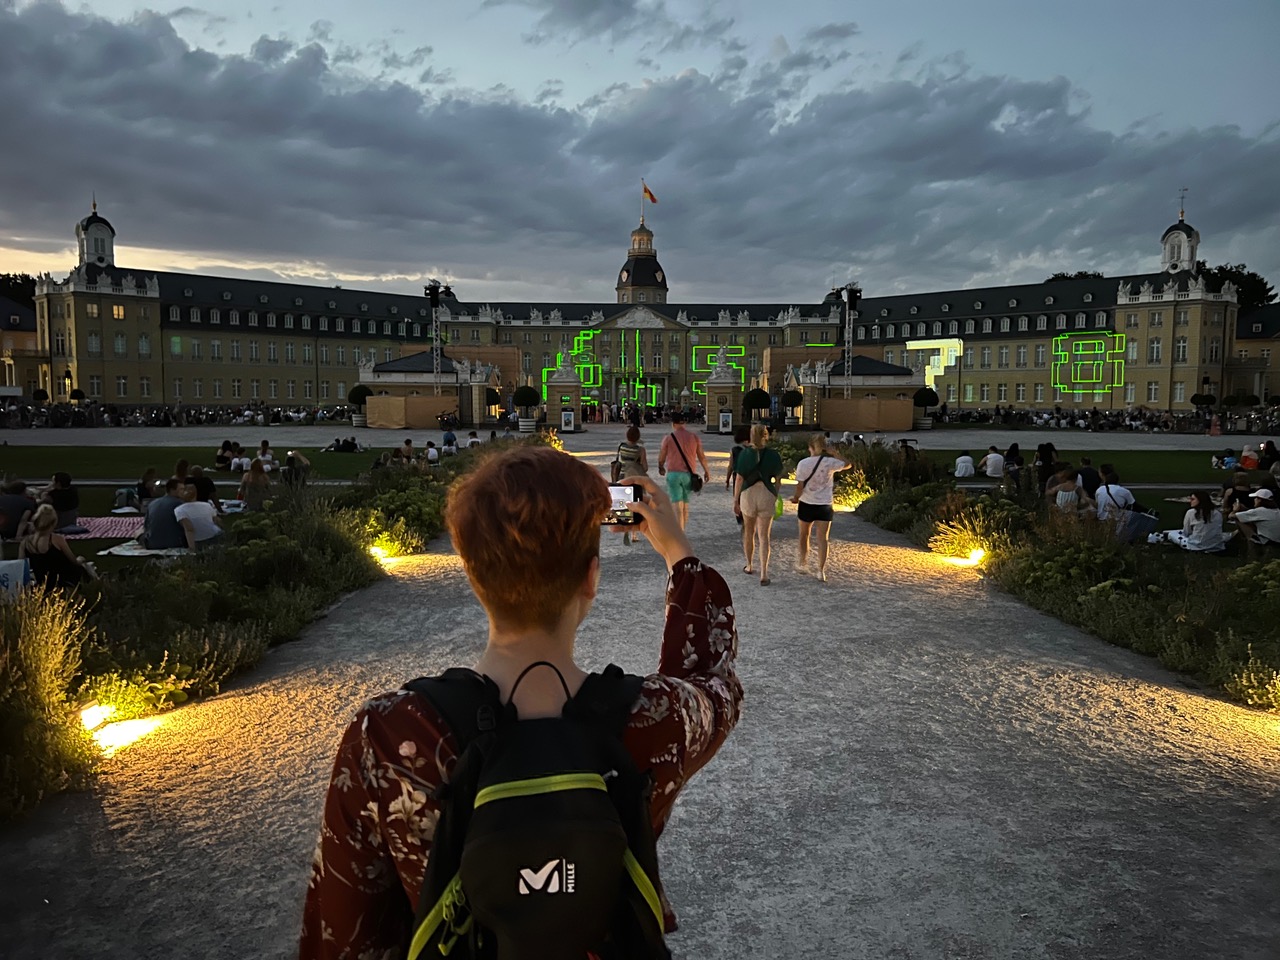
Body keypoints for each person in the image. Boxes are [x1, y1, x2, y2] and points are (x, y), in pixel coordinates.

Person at [299, 445, 742, 959]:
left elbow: (345, 931)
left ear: (473, 573)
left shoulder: (391, 736)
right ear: (591, 579)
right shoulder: (653, 720)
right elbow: (715, 683)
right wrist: (679, 556)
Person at [791, 433, 852, 582]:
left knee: (803, 535)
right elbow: (848, 464)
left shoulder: (803, 464)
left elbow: (800, 486)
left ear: (810, 448)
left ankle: (802, 562)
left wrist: (796, 498)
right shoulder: (829, 462)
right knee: (822, 539)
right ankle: (820, 570)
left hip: (807, 503)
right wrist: (835, 453)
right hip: (824, 504)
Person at [732, 424, 783, 585]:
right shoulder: (774, 455)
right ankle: (764, 573)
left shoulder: (744, 454)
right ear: (766, 436)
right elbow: (778, 479)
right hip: (766, 493)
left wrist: (736, 500)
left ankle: (749, 565)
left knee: (749, 532)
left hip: (748, 494)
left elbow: (739, 479)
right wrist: (774, 494)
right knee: (764, 536)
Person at [19, 504, 97, 590]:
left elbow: (21, 566)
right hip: (65, 581)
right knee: (85, 566)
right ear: (53, 523)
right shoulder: (57, 540)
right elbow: (73, 561)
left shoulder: (25, 543)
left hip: (44, 583)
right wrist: (80, 560)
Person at [657, 411, 710, 529]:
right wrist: (706, 471)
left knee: (677, 508)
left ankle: (680, 535)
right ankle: (683, 532)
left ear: (673, 424)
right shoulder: (694, 437)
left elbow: (662, 456)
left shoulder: (668, 438)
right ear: (684, 423)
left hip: (674, 475)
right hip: (689, 476)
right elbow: (701, 456)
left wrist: (660, 466)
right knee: (685, 507)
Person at [141, 478, 187, 549]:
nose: (184, 492)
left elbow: (146, 526)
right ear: (172, 490)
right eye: (181, 489)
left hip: (152, 544)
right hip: (175, 543)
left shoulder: (152, 503)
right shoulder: (180, 504)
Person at [175, 486, 223, 550]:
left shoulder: (179, 510)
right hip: (214, 536)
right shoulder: (207, 505)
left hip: (198, 540)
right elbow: (217, 521)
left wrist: (192, 549)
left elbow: (189, 529)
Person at [726, 425, 750, 489]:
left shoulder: (734, 450)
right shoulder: (753, 449)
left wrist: (727, 479)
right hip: (750, 478)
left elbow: (730, 467)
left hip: (737, 476)